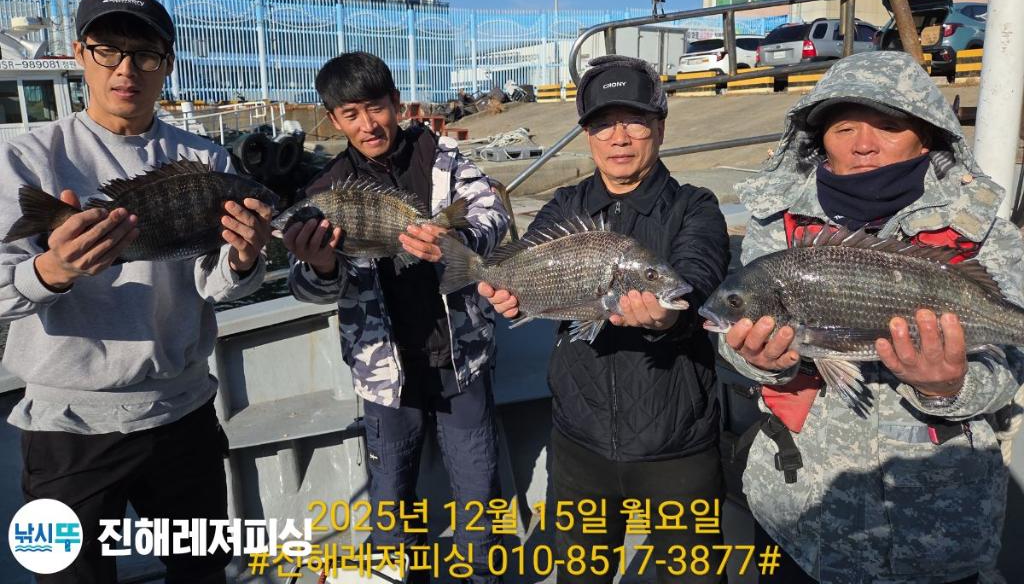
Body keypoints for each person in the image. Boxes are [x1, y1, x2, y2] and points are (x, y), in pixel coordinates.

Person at [718, 51, 1024, 584]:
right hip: (801, 515)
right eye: (844, 128)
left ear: (925, 138)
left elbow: (1011, 364)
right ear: (821, 140)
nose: (863, 144)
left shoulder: (983, 233)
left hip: (939, 527)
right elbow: (738, 339)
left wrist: (951, 387)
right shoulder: (776, 226)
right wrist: (761, 361)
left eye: (888, 126)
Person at [0, 0, 273, 583]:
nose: (127, 69)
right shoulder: (25, 159)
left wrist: (244, 259)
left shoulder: (208, 159)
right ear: (80, 53)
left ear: (166, 64)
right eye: (109, 50)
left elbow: (216, 286)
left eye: (146, 55)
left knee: (201, 574)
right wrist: (53, 271)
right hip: (66, 428)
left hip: (184, 415)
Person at [479, 55, 731, 584]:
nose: (618, 137)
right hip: (579, 444)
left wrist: (666, 320)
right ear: (587, 135)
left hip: (677, 448)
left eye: (634, 120)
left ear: (659, 127)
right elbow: (525, 268)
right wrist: (506, 294)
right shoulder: (564, 206)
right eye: (602, 124)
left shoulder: (695, 207)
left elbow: (696, 280)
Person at [284, 52, 509, 584]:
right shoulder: (324, 193)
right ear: (333, 120)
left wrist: (455, 241)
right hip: (385, 377)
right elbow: (306, 286)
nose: (368, 124)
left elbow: (493, 213)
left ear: (397, 104)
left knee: (480, 498)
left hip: (462, 362)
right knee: (391, 506)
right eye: (350, 114)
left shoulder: (443, 158)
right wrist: (320, 264)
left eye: (376, 107)